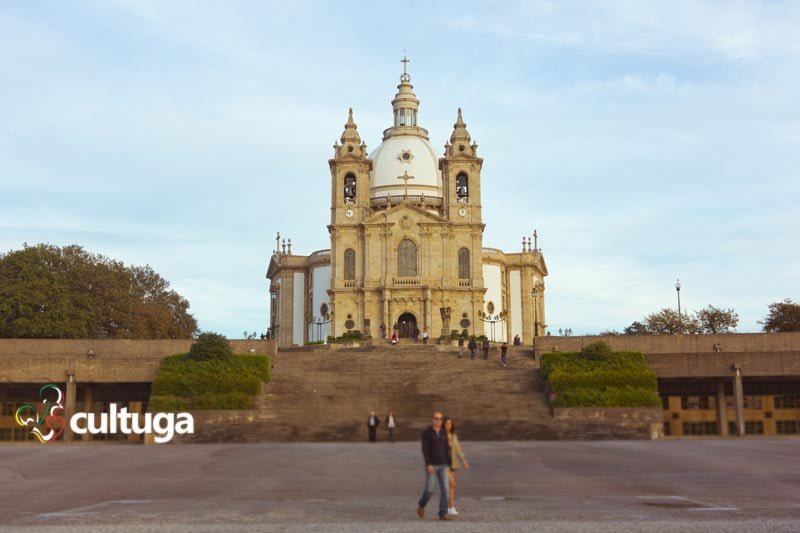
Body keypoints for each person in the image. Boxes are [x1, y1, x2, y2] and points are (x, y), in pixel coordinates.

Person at [417, 412, 451, 521]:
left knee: (445, 489)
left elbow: (446, 448)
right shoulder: (427, 432)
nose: (439, 420)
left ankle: (443, 513)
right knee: (430, 490)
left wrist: (449, 463)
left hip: (443, 464)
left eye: (441, 418)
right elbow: (425, 449)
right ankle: (422, 504)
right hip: (432, 464)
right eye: (436, 418)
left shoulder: (443, 432)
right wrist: (428, 463)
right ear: (432, 419)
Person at [444, 417, 469, 516]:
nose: (448, 426)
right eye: (446, 424)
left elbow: (458, 449)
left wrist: (463, 460)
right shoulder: (441, 436)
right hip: (444, 464)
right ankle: (448, 506)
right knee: (451, 484)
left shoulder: (454, 436)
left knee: (452, 487)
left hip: (453, 463)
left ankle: (451, 507)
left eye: (450, 424)